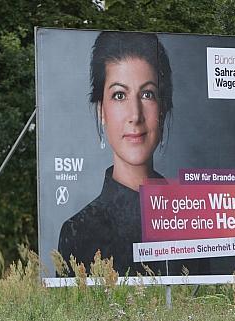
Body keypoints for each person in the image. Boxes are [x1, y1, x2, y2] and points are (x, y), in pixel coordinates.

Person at [58, 31, 206, 277]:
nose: (135, 115)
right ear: (101, 111)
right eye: (119, 95)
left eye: (147, 94)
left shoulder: (194, 220)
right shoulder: (78, 231)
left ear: (163, 107)